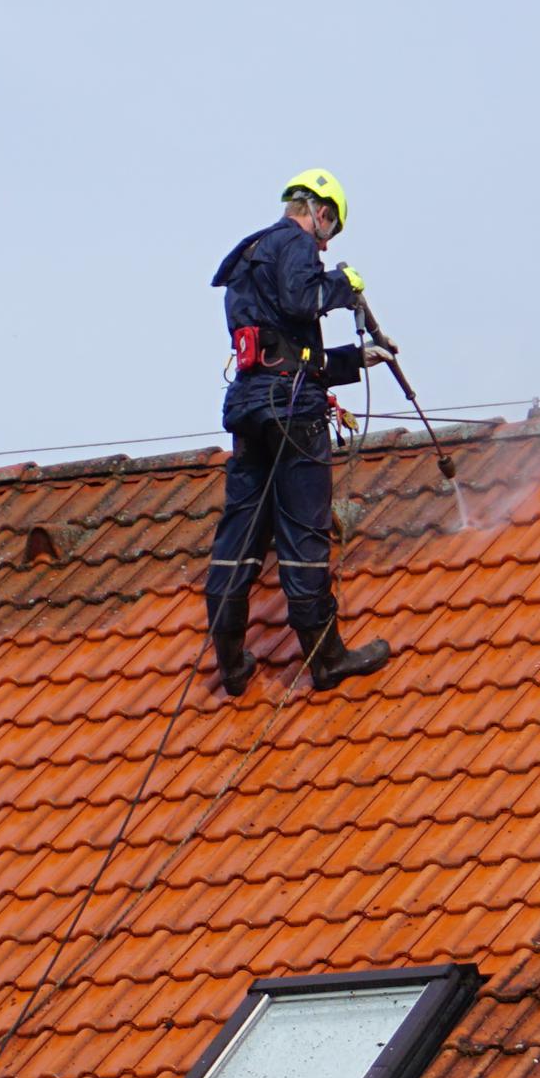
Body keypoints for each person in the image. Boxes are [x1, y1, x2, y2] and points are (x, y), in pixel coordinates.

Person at [206, 168, 394, 694]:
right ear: (321, 212)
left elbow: (287, 352)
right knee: (303, 535)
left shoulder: (249, 256)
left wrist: (355, 358)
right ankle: (326, 659)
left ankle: (230, 663)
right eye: (329, 231)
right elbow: (300, 301)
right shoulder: (295, 244)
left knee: (240, 533)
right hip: (292, 412)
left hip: (251, 406)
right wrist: (343, 284)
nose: (326, 244)